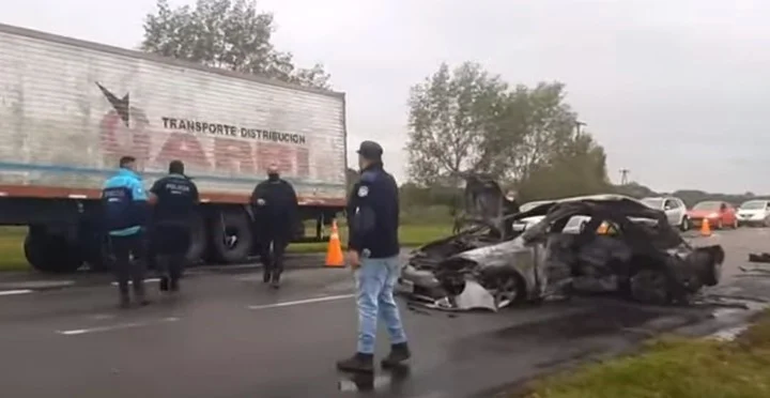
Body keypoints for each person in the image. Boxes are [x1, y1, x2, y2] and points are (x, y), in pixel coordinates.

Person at [337, 141, 410, 373]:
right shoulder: (389, 181)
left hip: (372, 251)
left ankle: (364, 355)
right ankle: (399, 345)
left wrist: (354, 247)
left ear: (363, 158)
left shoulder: (366, 183)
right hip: (390, 249)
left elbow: (363, 218)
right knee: (385, 298)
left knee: (367, 302)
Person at [101, 156, 153, 308]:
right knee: (139, 260)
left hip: (114, 230)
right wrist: (143, 225)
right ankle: (140, 295)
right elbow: (140, 205)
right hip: (132, 229)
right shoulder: (134, 183)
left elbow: (103, 206)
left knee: (121, 263)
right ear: (129, 166)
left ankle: (124, 296)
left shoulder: (108, 184)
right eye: (135, 165)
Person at [149, 160, 199, 293]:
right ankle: (175, 280)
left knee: (162, 252)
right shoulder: (190, 185)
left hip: (162, 224)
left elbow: (151, 200)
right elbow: (195, 204)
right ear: (182, 170)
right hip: (183, 225)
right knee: (179, 253)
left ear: (169, 170)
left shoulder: (161, 183)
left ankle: (163, 272)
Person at [250, 163, 298, 288]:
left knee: (278, 251)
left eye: (275, 173)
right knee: (263, 250)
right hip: (264, 224)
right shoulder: (262, 187)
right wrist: (258, 202)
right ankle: (267, 267)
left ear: (279, 173)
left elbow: (293, 205)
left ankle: (276, 276)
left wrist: (292, 223)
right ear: (268, 174)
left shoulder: (286, 187)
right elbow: (253, 200)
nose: (273, 175)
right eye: (271, 173)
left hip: (281, 225)